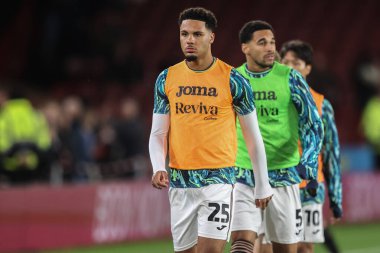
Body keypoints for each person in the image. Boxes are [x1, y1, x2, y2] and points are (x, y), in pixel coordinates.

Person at [148, 8, 273, 253]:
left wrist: (262, 183)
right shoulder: (166, 78)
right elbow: (158, 133)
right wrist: (158, 167)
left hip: (218, 179)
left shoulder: (234, 80)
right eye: (184, 34)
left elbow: (253, 137)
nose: (190, 40)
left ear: (211, 37)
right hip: (180, 181)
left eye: (197, 34)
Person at [230, 21, 323, 253]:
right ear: (245, 48)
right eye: (262, 43)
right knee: (242, 239)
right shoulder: (232, 79)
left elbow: (313, 123)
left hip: (284, 174)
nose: (271, 48)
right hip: (244, 173)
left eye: (272, 42)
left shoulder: (290, 77)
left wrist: (309, 162)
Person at [280, 40, 343, 253]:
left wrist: (335, 199)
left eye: (295, 63)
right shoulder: (271, 101)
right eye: (285, 62)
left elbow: (331, 153)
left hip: (310, 187)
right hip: (279, 183)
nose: (289, 67)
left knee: (304, 247)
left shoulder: (321, 105)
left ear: (307, 68)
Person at [0, 88, 52, 185]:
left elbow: (2, 144)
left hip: (9, 169)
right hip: (33, 167)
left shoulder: (4, 116)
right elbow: (44, 144)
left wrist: (14, 155)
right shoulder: (36, 115)